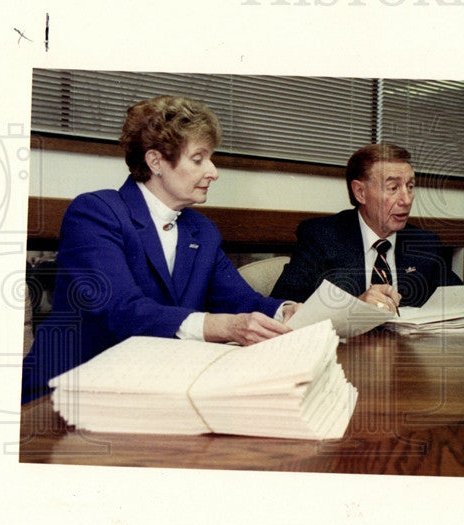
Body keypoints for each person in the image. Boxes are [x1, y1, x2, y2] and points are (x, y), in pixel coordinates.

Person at [22, 96, 296, 403]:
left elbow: (239, 299)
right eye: (198, 159)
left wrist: (287, 312)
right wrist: (223, 326)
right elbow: (120, 311)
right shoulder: (94, 213)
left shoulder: (202, 230)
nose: (213, 172)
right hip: (66, 392)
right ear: (155, 162)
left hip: (153, 390)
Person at [270, 143, 464, 323]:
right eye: (393, 188)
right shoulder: (322, 236)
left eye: (410, 187)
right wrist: (356, 306)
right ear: (360, 192)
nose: (406, 199)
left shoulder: (424, 243)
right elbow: (285, 305)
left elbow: (458, 299)